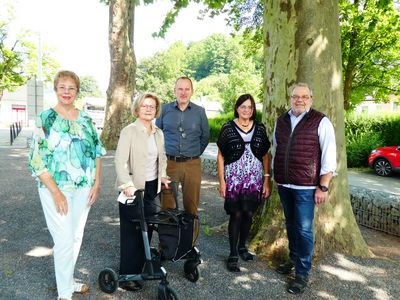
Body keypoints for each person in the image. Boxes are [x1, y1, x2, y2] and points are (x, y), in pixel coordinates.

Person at [28, 70, 106, 300]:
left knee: (75, 237)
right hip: (55, 189)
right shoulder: (45, 119)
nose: (66, 92)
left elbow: (97, 152)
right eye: (62, 87)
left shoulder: (85, 119)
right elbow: (36, 160)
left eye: (71, 88)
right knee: (63, 240)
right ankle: (64, 294)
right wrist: (57, 193)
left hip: (83, 187)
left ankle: (69, 281)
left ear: (77, 91)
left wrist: (97, 183)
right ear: (55, 89)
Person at [273, 83, 337, 294]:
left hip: (307, 187)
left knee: (304, 230)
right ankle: (293, 260)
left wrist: (323, 186)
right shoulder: (281, 121)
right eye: (295, 96)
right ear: (290, 98)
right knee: (291, 225)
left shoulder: (320, 121)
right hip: (284, 184)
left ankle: (302, 272)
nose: (299, 100)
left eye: (304, 96)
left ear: (311, 98)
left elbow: (329, 156)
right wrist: (276, 176)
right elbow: (277, 149)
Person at [114, 93, 170, 291]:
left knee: (148, 229)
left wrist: (162, 176)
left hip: (153, 188)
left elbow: (161, 158)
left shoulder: (158, 133)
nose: (148, 109)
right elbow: (120, 161)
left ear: (156, 110)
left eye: (152, 106)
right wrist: (126, 184)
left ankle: (140, 268)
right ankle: (127, 274)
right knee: (132, 232)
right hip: (133, 189)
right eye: (145, 106)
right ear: (137, 109)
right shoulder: (129, 131)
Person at [216, 94, 271, 272]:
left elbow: (265, 155)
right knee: (236, 214)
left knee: (248, 213)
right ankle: (232, 254)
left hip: (254, 179)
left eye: (250, 107)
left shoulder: (260, 129)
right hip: (234, 179)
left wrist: (266, 180)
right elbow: (220, 156)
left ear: (253, 110)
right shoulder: (228, 128)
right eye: (243, 107)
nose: (246, 110)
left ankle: (242, 247)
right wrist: (222, 182)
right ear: (237, 108)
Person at [155, 76, 209, 237]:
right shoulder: (164, 110)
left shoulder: (199, 112)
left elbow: (205, 137)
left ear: (192, 92)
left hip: (192, 164)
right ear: (174, 91)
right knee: (167, 206)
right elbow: (157, 134)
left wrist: (194, 153)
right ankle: (166, 246)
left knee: (191, 207)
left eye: (187, 89)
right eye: (180, 89)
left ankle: (189, 247)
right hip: (169, 164)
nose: (183, 92)